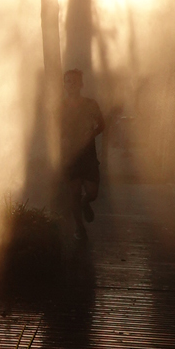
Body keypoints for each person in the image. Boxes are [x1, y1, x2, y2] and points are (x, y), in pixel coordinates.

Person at [60, 68, 105, 238]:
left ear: (81, 84)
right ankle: (79, 227)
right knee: (74, 193)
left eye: (74, 81)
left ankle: (87, 203)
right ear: (64, 85)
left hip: (88, 155)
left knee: (92, 193)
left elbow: (102, 125)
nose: (70, 84)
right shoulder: (61, 107)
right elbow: (56, 129)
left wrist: (91, 133)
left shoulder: (90, 104)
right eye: (67, 81)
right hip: (70, 156)